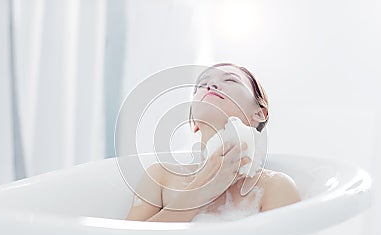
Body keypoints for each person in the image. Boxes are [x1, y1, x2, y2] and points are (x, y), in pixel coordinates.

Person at [126, 63, 301, 222]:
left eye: (230, 80)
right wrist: (200, 190)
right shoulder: (160, 176)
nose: (211, 86)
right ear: (194, 123)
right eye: (202, 85)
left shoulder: (274, 186)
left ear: (259, 114)